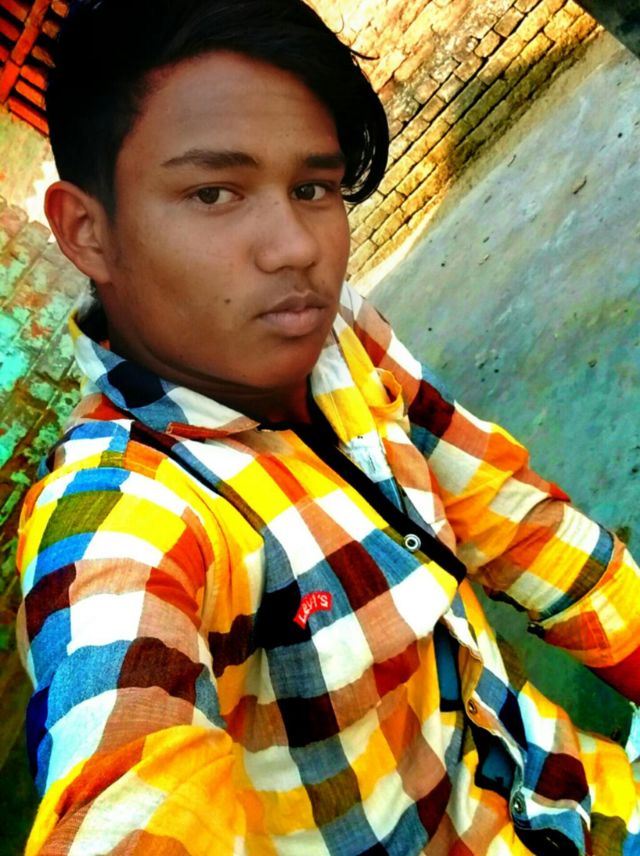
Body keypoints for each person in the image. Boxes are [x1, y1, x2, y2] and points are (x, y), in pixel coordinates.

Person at [15, 0, 640, 853]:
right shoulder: (120, 518)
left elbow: (511, 517)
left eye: (312, 188)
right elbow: (127, 778)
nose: (295, 248)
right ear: (89, 232)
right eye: (214, 193)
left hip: (574, 788)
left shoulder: (336, 332)